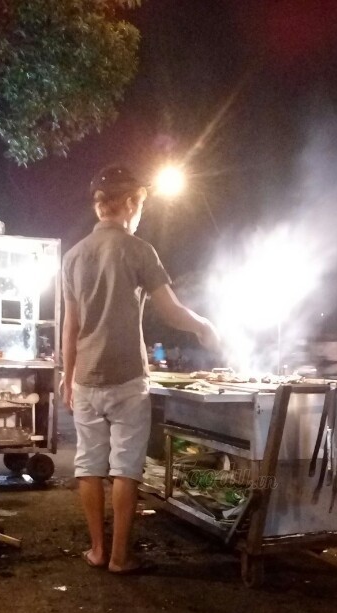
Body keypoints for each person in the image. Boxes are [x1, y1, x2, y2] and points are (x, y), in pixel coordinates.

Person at [62, 165, 220, 573]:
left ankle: (97, 550)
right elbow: (170, 310)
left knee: (88, 465)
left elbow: (70, 326)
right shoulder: (138, 250)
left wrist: (66, 375)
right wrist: (203, 326)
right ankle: (120, 557)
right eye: (141, 206)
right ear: (130, 203)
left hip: (85, 377)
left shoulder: (73, 256)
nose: (140, 215)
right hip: (128, 377)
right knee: (126, 468)